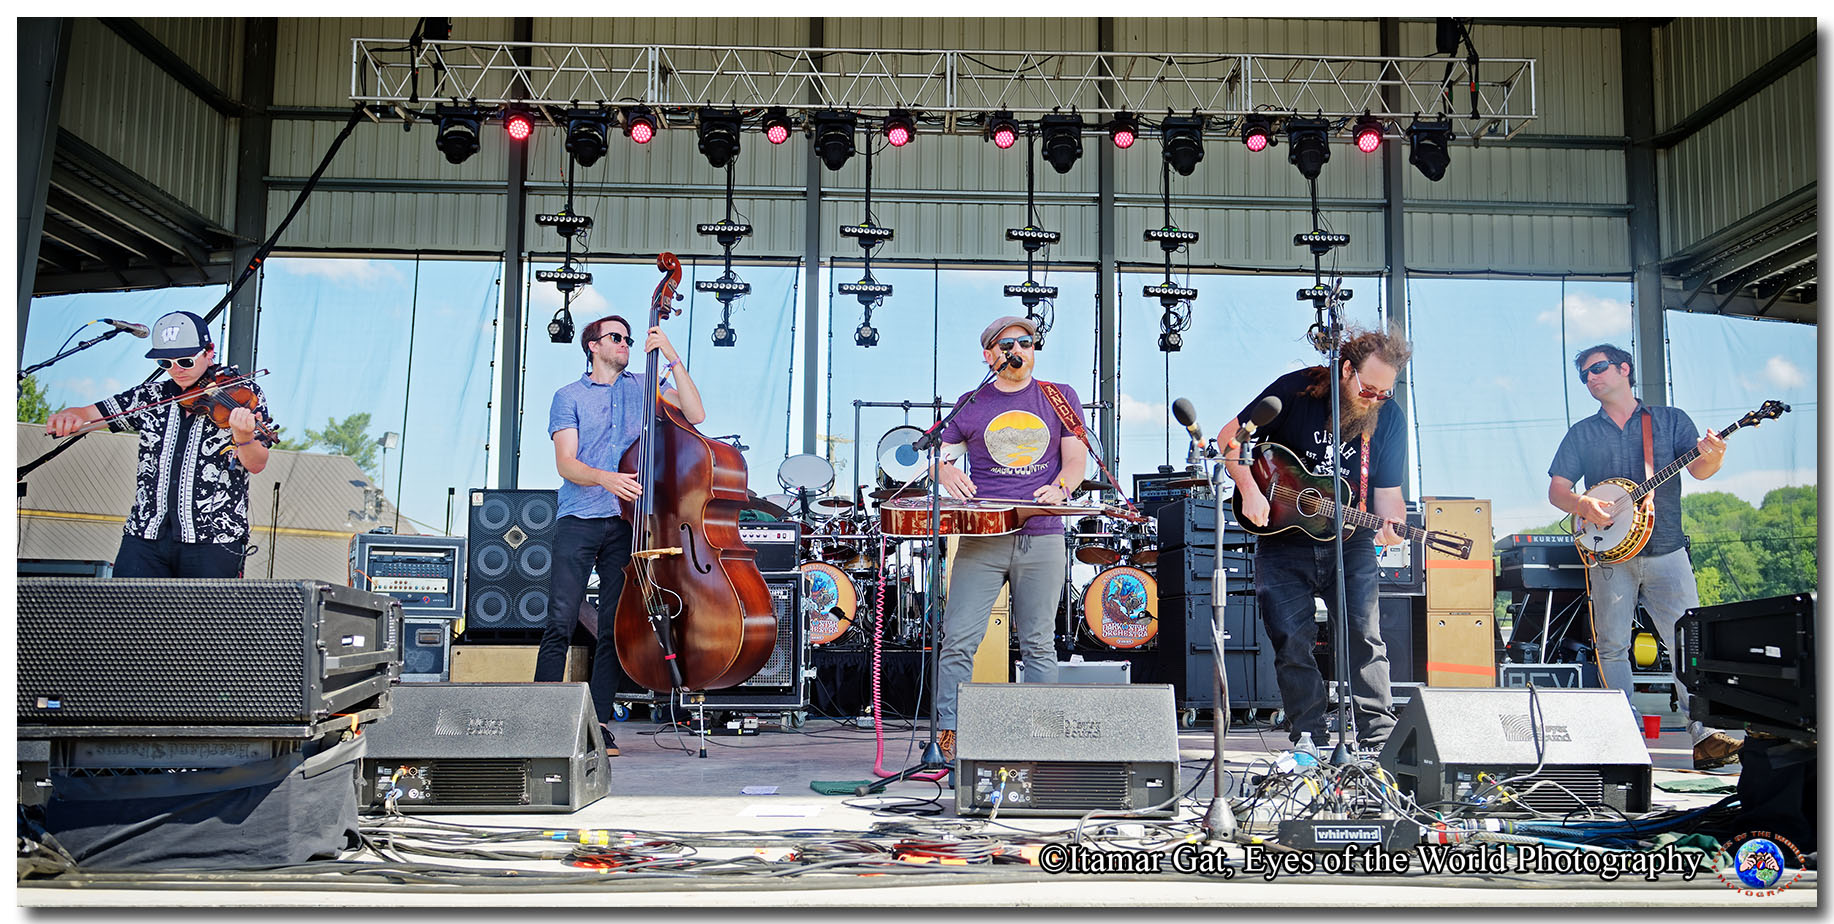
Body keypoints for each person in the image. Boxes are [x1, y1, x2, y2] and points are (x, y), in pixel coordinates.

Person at [1547, 343, 1741, 771]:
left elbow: (1700, 469)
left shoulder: (1670, 420)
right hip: (1610, 554)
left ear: (1624, 369)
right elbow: (1558, 489)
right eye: (1584, 374)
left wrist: (1715, 455)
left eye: (1598, 368)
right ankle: (1624, 733)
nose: (1591, 378)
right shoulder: (1582, 433)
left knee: (1688, 641)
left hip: (1666, 549)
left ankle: (1705, 734)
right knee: (1611, 645)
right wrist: (1583, 506)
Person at [1216, 326, 1410, 752]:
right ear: (1346, 370)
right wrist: (1250, 490)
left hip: (1350, 541)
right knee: (1291, 640)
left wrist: (1393, 524)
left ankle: (1378, 737)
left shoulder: (1389, 419)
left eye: (1384, 393)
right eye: (1369, 389)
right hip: (1283, 537)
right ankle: (1309, 736)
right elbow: (1230, 439)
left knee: (1365, 636)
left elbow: (1388, 495)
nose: (1375, 399)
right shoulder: (1296, 390)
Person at [536, 313, 704, 758]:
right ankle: (543, 724)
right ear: (593, 346)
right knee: (560, 621)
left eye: (628, 338)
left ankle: (599, 727)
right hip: (579, 517)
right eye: (616, 337)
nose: (625, 343)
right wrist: (606, 478)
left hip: (627, 523)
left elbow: (696, 413)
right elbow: (566, 464)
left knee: (613, 628)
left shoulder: (644, 388)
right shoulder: (568, 396)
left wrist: (671, 356)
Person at [928, 316, 1085, 762]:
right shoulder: (971, 402)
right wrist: (944, 471)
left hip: (1042, 535)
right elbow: (936, 456)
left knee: (1038, 643)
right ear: (989, 355)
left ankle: (1042, 743)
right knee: (958, 639)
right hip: (983, 537)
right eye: (1007, 343)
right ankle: (949, 739)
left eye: (1026, 342)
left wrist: (1061, 488)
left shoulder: (1059, 396)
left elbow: (1076, 461)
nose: (1018, 349)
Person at [44, 311, 272, 578]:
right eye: (166, 363)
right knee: (126, 606)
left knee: (205, 609)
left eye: (185, 361)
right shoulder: (151, 396)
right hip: (145, 535)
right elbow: (89, 414)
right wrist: (71, 415)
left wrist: (243, 436)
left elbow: (257, 463)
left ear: (209, 351)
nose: (176, 370)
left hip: (214, 538)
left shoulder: (244, 394)